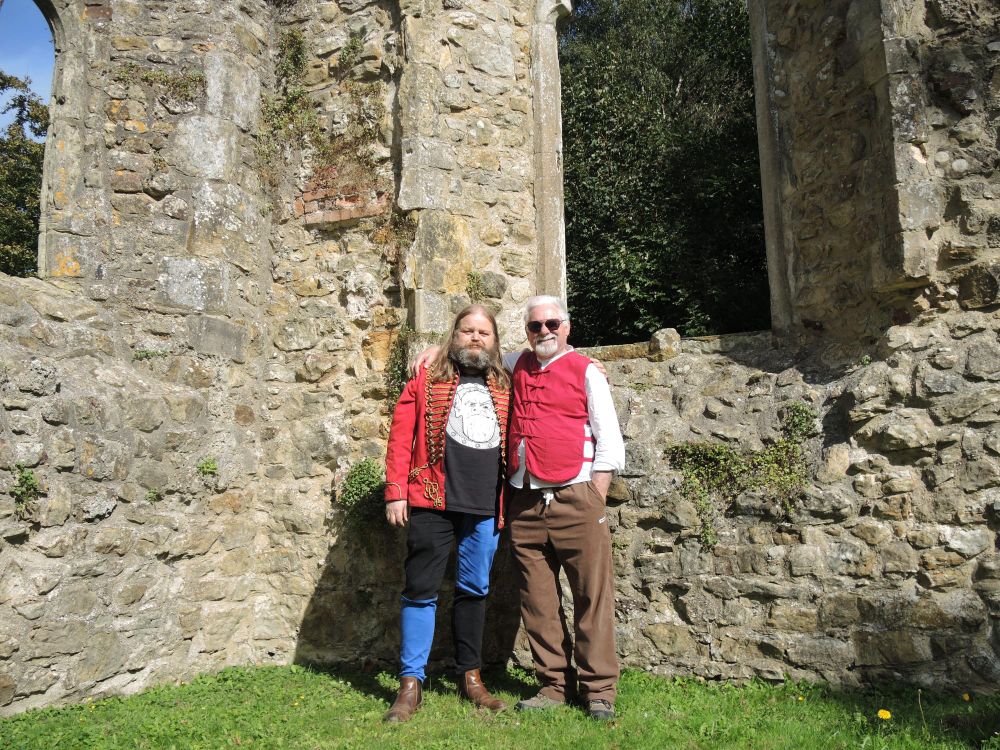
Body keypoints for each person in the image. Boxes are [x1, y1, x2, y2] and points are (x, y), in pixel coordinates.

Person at [382, 304, 511, 723]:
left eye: (484, 333)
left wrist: (590, 364)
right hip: (430, 498)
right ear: (453, 335)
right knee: (420, 589)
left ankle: (470, 677)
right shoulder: (426, 375)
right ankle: (409, 684)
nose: (475, 338)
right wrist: (396, 491)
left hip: (486, 505)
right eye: (467, 330)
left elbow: (547, 360)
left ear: (494, 342)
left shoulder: (507, 381)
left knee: (475, 589)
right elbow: (401, 436)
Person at [503, 295, 625, 721]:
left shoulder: (586, 369)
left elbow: (609, 438)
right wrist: (433, 351)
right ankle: (553, 686)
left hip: (576, 496)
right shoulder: (515, 362)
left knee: (592, 597)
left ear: (567, 326)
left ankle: (599, 691)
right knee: (537, 601)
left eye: (552, 323)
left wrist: (596, 493)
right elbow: (474, 352)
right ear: (527, 331)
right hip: (524, 498)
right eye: (535, 326)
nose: (544, 331)